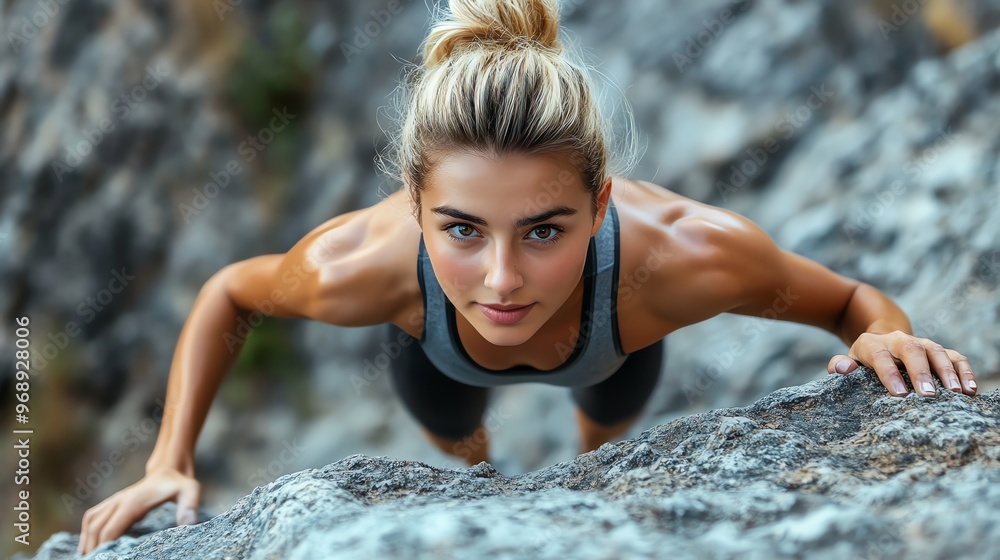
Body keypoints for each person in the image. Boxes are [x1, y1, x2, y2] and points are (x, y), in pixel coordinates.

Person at [77, 0, 980, 554]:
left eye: (544, 229)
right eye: (461, 230)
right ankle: (481, 470)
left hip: (611, 349)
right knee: (462, 446)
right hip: (438, 361)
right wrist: (169, 463)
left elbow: (853, 307)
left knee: (606, 442)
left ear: (600, 202)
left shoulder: (681, 258)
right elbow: (230, 292)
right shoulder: (363, 263)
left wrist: (885, 335)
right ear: (415, 206)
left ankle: (589, 471)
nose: (503, 278)